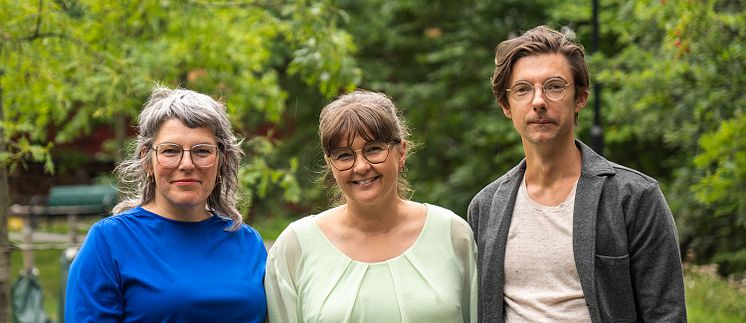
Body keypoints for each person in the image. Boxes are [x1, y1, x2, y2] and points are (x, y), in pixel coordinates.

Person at [468, 26, 687, 322]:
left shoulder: (634, 198)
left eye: (555, 86)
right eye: (523, 89)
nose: (538, 101)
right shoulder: (486, 207)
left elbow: (666, 314)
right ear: (506, 106)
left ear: (580, 98)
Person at [265, 90, 477, 322]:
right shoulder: (296, 247)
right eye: (344, 155)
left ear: (401, 151)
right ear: (330, 165)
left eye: (374, 149)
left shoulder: (452, 235)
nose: (361, 166)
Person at [65, 86, 267, 322]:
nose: (187, 164)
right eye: (170, 151)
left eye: (202, 151)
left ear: (221, 161)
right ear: (147, 160)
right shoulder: (109, 242)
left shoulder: (247, 242)